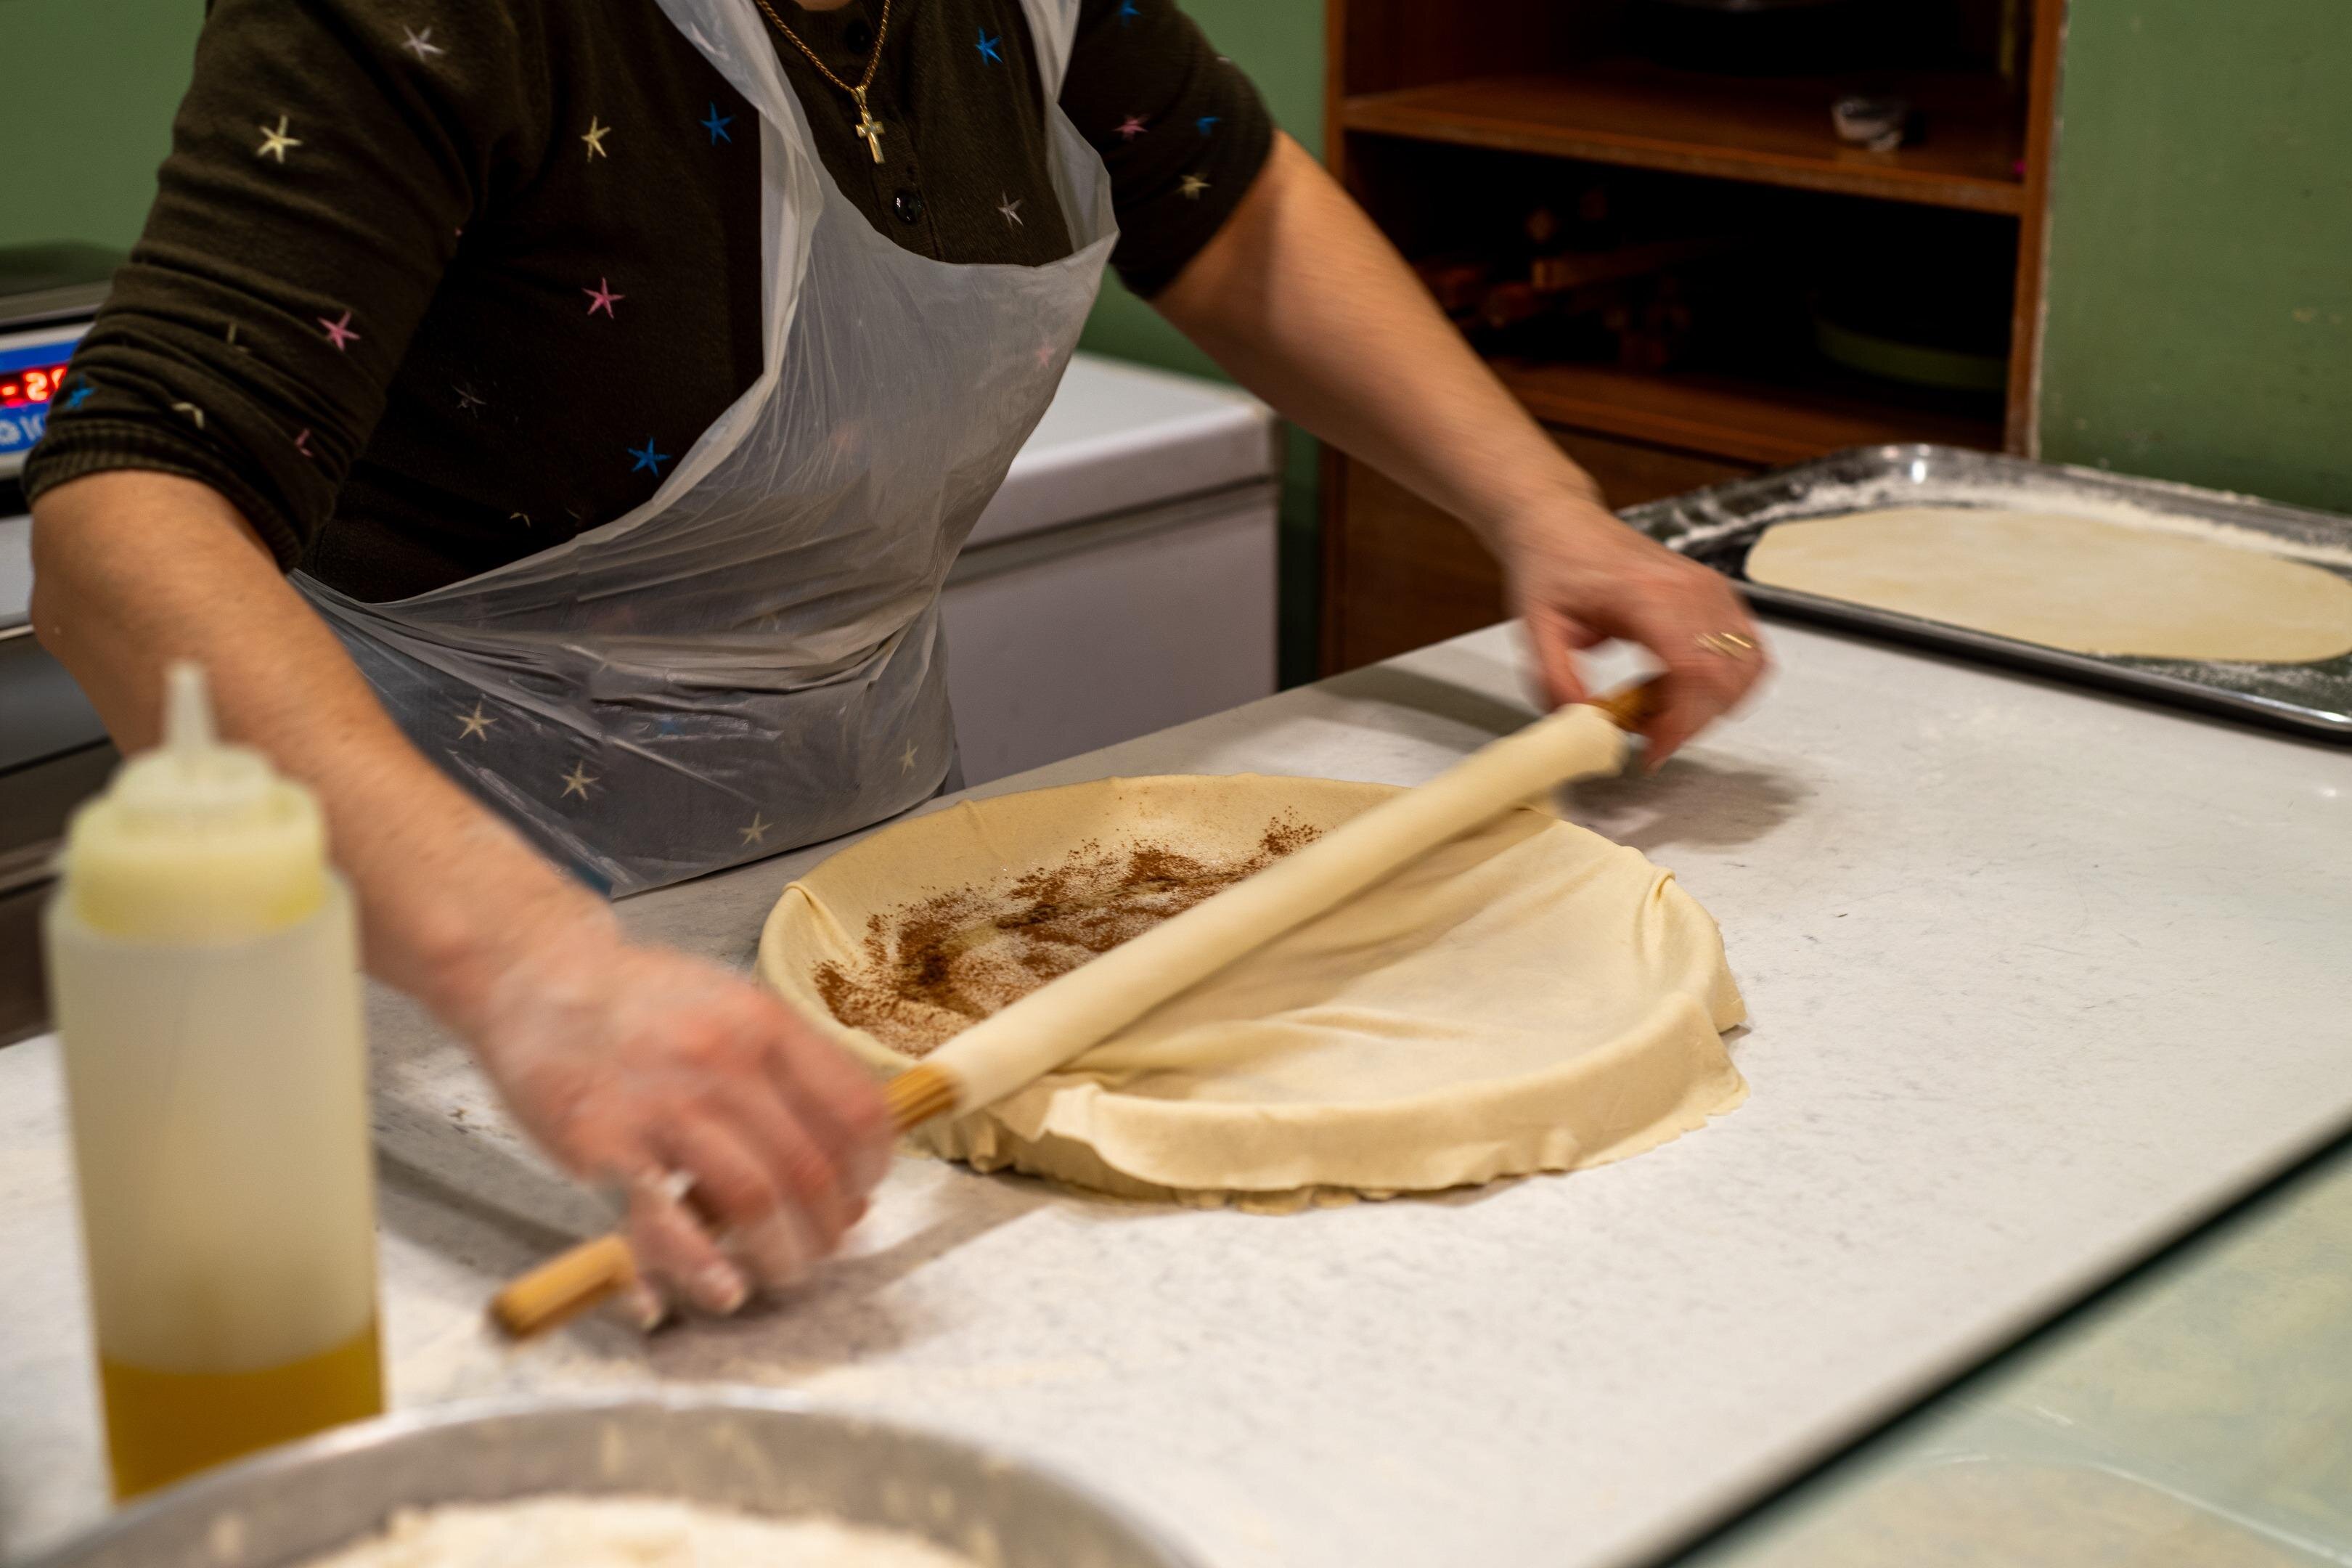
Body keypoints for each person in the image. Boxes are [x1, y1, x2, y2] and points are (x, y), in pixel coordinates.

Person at [28, 0, 1767, 1323]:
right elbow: (122, 528)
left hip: (872, 883)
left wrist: (1541, 506)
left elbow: (1224, 206)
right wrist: (532, 972)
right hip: (435, 970)